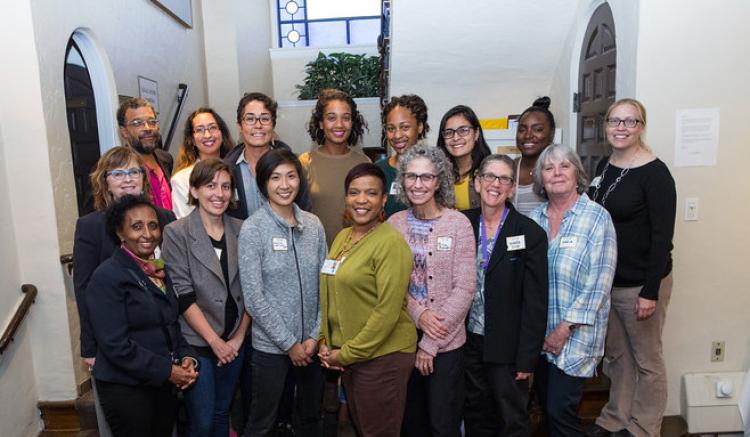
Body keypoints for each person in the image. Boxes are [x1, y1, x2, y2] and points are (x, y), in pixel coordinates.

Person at [588, 99, 676, 437]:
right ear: (606, 125)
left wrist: (650, 291)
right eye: (615, 121)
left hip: (640, 284)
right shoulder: (603, 165)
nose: (621, 128)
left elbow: (662, 238)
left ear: (641, 127)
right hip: (609, 282)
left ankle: (643, 426)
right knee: (618, 357)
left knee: (647, 361)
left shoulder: (655, 174)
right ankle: (615, 418)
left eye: (630, 121)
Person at [85, 194, 198, 437]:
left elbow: (170, 323)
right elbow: (116, 345)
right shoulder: (107, 277)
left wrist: (186, 356)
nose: (147, 233)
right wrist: (169, 371)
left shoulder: (157, 269)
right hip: (126, 389)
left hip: (160, 384)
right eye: (136, 226)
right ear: (120, 233)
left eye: (153, 225)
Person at [318, 163, 416, 437]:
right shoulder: (343, 236)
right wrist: (325, 340)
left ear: (384, 199)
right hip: (353, 355)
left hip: (384, 357)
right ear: (346, 198)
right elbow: (328, 290)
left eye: (371, 193)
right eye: (354, 192)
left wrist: (345, 355)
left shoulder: (391, 243)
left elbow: (387, 313)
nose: (361, 200)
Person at [528, 145, 617, 437]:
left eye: (564, 166)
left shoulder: (596, 218)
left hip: (576, 335)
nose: (556, 173)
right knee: (547, 411)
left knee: (560, 411)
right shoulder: (534, 220)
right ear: (540, 177)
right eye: (549, 167)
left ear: (577, 173)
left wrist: (564, 329)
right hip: (540, 336)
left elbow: (599, 284)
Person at [387, 145, 476, 437]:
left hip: (447, 344)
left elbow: (464, 289)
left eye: (426, 177)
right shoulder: (394, 225)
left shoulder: (458, 224)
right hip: (403, 340)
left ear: (439, 181)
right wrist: (419, 314)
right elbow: (391, 286)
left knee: (443, 424)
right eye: (411, 176)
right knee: (410, 423)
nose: (418, 184)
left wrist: (429, 343)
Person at [238, 149, 327, 436]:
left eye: (291, 176)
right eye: (275, 177)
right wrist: (289, 344)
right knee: (263, 422)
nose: (284, 184)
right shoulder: (253, 229)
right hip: (271, 349)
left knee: (311, 418)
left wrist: (314, 336)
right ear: (263, 183)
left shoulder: (313, 225)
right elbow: (253, 297)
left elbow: (326, 284)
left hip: (312, 346)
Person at [161, 159, 250, 437]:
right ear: (195, 190)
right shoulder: (176, 233)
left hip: (235, 341)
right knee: (202, 422)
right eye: (210, 186)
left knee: (223, 412)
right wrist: (215, 343)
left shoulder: (243, 229)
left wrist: (236, 340)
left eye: (226, 186)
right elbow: (183, 295)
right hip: (198, 343)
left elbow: (252, 291)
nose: (219, 194)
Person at [462, 154, 549, 436]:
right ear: (477, 182)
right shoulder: (461, 224)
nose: (495, 184)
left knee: (512, 418)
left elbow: (535, 302)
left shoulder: (530, 233)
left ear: (512, 188)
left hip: (508, 347)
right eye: (489, 176)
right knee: (476, 413)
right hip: (468, 342)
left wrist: (527, 358)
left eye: (504, 179)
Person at [74, 146, 176, 368]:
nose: (127, 179)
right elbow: (83, 289)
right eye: (118, 174)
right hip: (115, 337)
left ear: (143, 178)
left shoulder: (166, 218)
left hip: (160, 334)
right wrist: (89, 346)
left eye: (134, 172)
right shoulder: (90, 226)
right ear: (106, 182)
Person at [300, 88, 371, 246]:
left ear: (352, 122)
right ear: (321, 123)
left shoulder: (364, 163)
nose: (339, 125)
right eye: (331, 118)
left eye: (346, 118)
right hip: (316, 254)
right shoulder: (304, 163)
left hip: (355, 254)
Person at [224, 92, 309, 220]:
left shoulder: (292, 165)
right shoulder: (227, 169)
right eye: (250, 119)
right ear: (240, 126)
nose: (258, 125)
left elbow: (304, 210)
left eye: (264, 118)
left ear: (273, 125)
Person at [171, 108, 234, 218]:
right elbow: (185, 224)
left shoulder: (236, 169)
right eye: (199, 130)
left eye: (212, 128)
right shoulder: (181, 180)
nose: (207, 135)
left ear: (222, 133)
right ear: (192, 139)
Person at [375, 94, 429, 218]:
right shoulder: (378, 171)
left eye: (405, 127)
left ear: (420, 127)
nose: (397, 135)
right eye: (391, 128)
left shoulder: (435, 169)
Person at [117, 97, 174, 210]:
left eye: (151, 122)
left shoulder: (166, 159)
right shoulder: (116, 167)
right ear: (124, 132)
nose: (147, 128)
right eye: (138, 123)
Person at [436, 105, 491, 211]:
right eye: (449, 133)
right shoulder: (436, 174)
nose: (455, 138)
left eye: (463, 130)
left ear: (476, 134)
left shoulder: (490, 173)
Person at [513, 97, 557, 216]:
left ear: (552, 133)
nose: (528, 135)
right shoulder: (510, 168)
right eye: (522, 130)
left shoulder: (560, 170)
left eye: (537, 129)